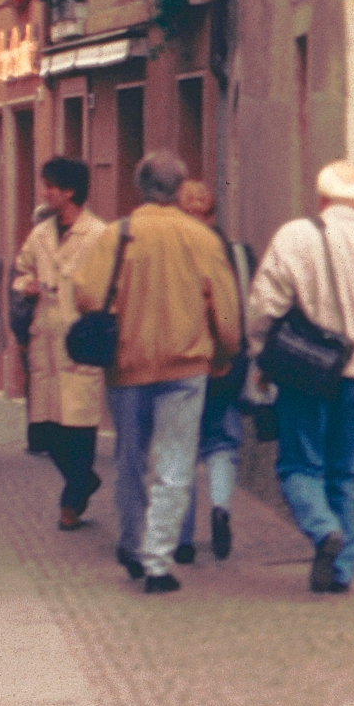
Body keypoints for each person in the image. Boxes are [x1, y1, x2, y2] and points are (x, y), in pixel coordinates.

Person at [65, 152, 244, 595]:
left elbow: (86, 294)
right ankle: (159, 560)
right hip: (186, 364)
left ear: (138, 186)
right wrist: (223, 353)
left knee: (130, 458)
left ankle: (130, 543)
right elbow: (227, 309)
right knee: (176, 461)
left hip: (127, 364)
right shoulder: (201, 237)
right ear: (180, 187)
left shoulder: (118, 235)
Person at [246, 159, 354, 594]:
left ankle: (323, 529)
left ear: (321, 198)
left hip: (305, 374)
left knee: (298, 465)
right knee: (347, 474)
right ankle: (341, 572)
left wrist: (261, 356)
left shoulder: (294, 237)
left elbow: (265, 306)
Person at [15, 158, 109, 529]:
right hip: (46, 335)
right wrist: (29, 285)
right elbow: (21, 271)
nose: (44, 192)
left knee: (80, 425)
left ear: (68, 191)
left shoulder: (99, 233)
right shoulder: (40, 234)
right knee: (47, 430)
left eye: (50, 186)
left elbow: (109, 284)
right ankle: (84, 482)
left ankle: (71, 501)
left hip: (79, 340)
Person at [173, 180, 255, 564]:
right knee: (222, 442)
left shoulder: (171, 255)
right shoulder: (239, 255)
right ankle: (220, 507)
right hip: (228, 364)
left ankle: (183, 537)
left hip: (183, 363)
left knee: (181, 449)